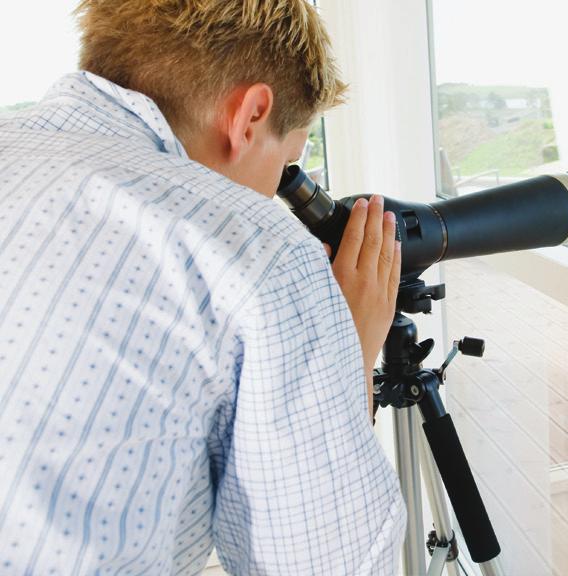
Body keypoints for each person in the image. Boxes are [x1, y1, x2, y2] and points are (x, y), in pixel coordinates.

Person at [0, 1, 405, 574]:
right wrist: (351, 352)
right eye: (289, 164)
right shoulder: (259, 247)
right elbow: (324, 563)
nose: (275, 193)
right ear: (250, 116)